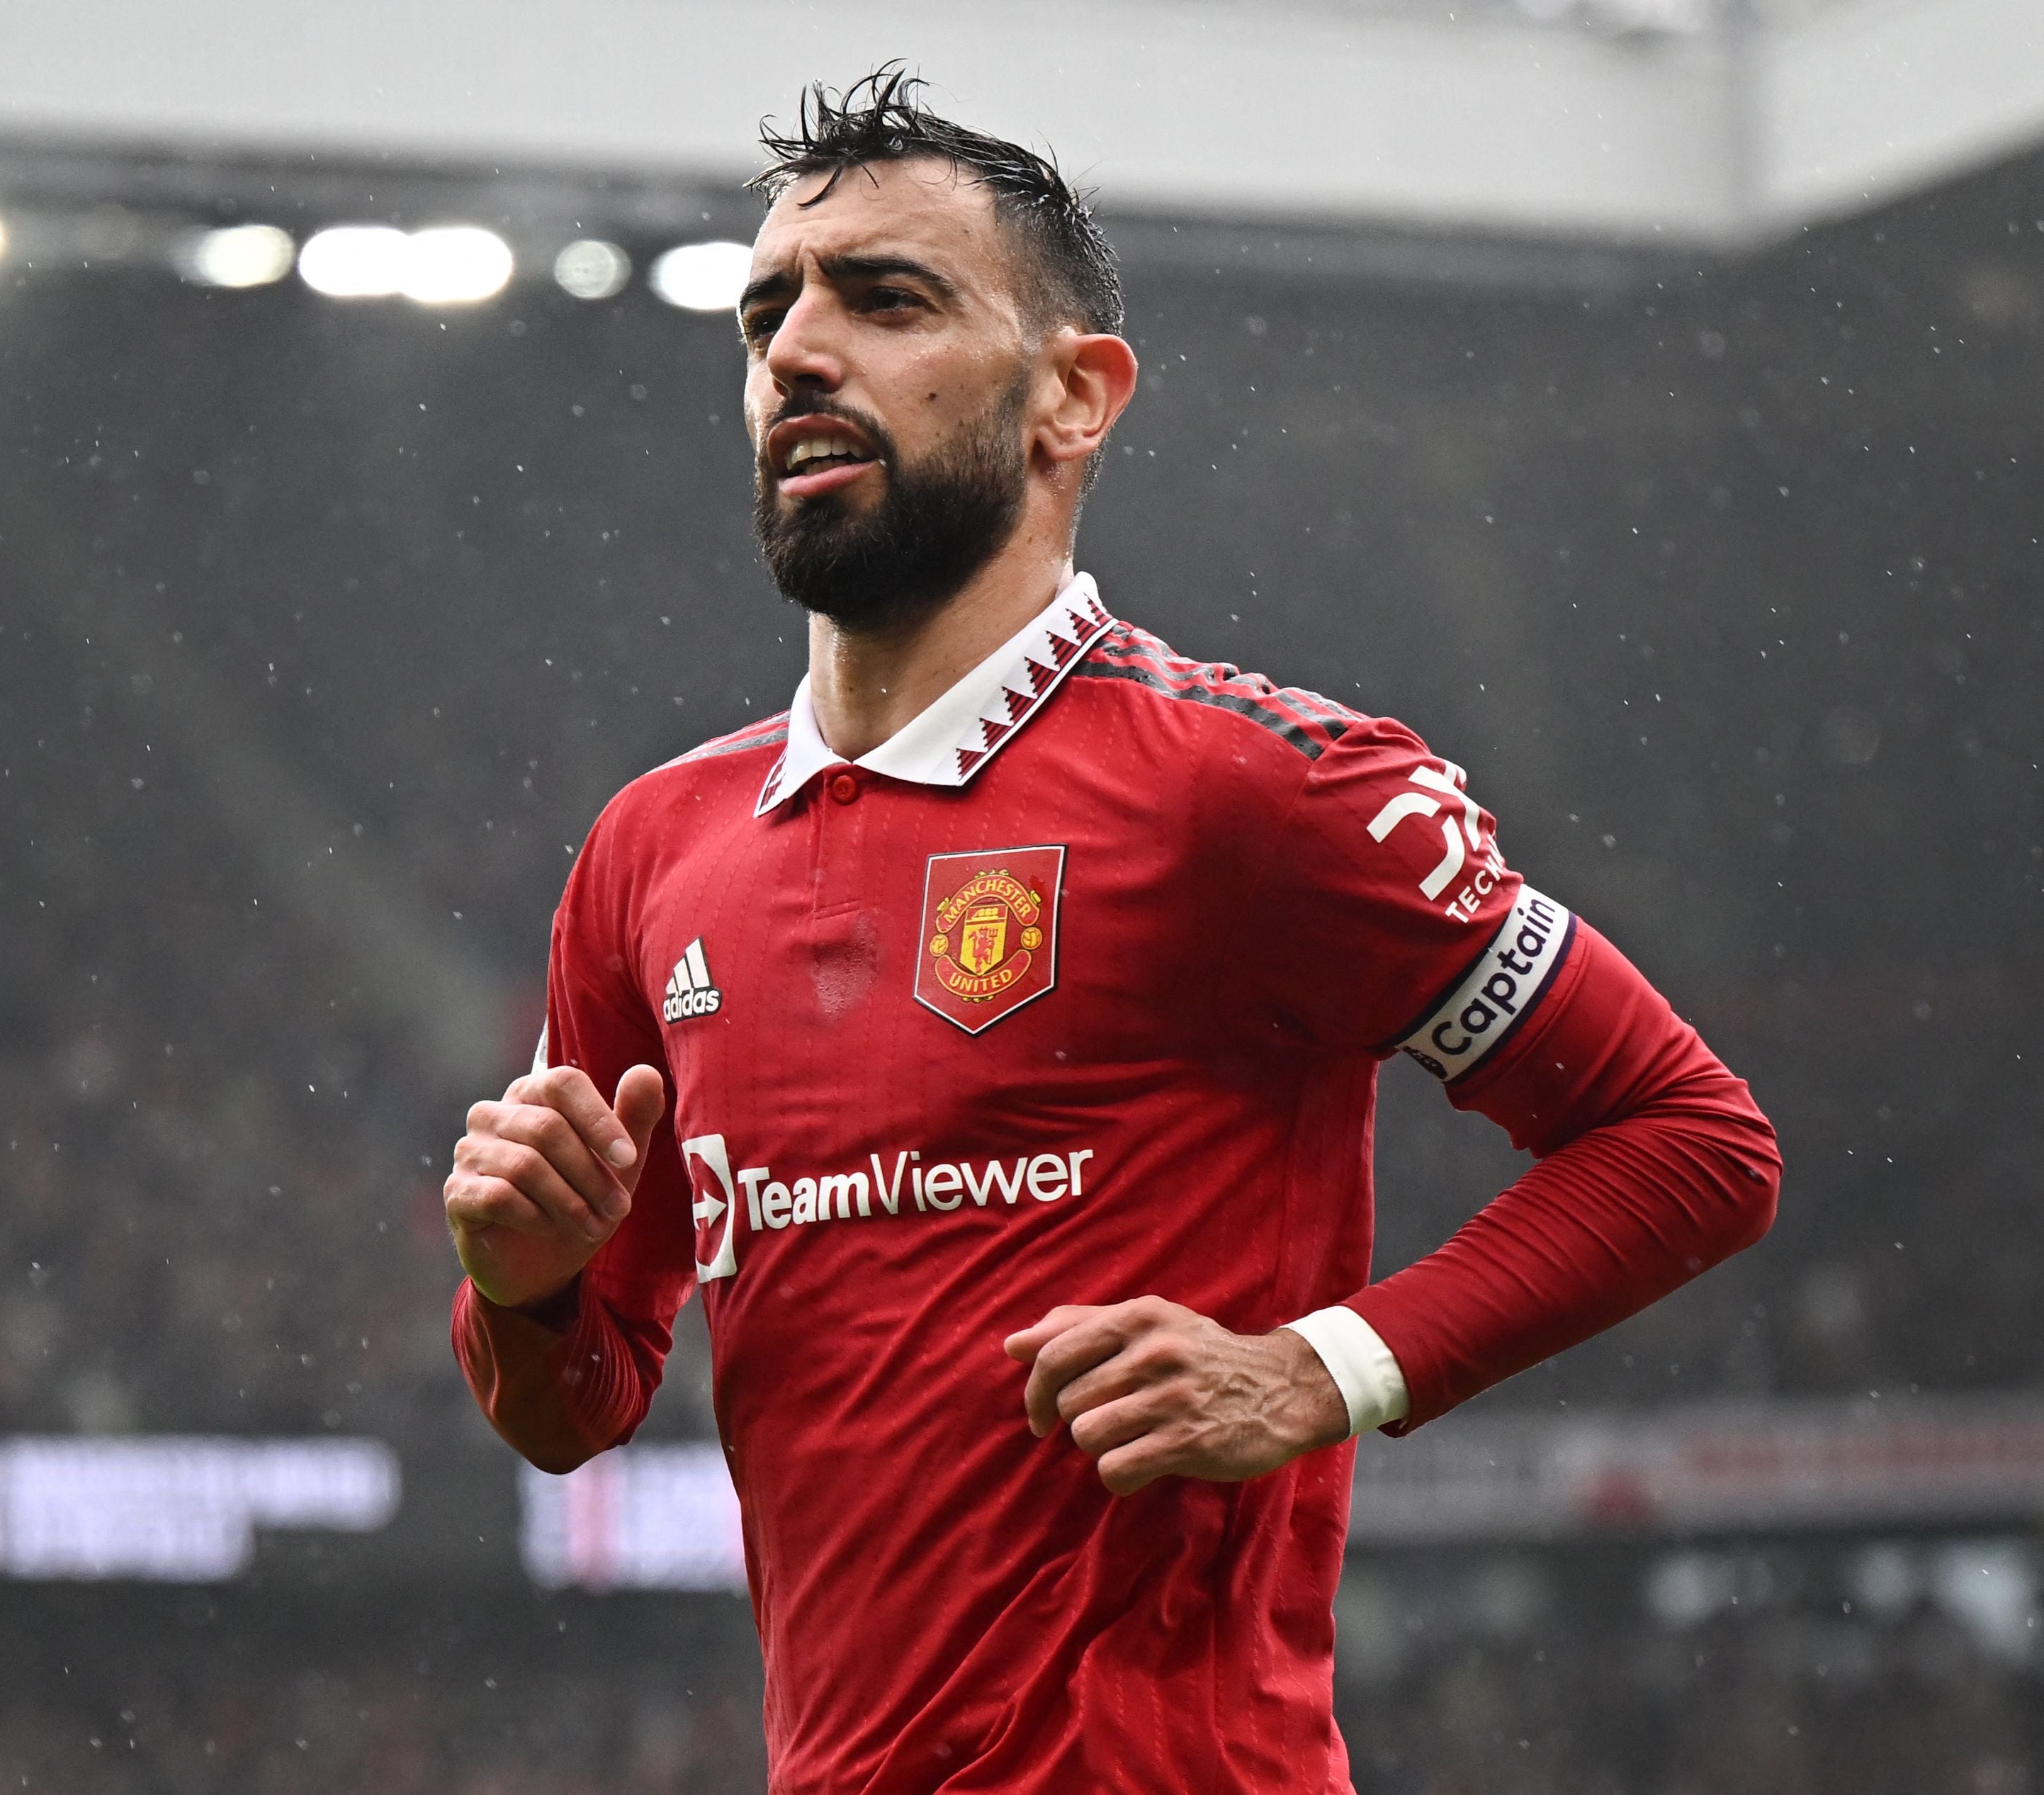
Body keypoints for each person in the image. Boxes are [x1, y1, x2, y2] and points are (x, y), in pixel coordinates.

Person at [444, 69, 1780, 1794]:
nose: (796, 351)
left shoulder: (1261, 789)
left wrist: (1320, 1368)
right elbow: (576, 1409)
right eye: (766, 309)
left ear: (1073, 398)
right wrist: (524, 1287)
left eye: (887, 298)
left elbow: (1688, 1141)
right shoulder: (652, 850)